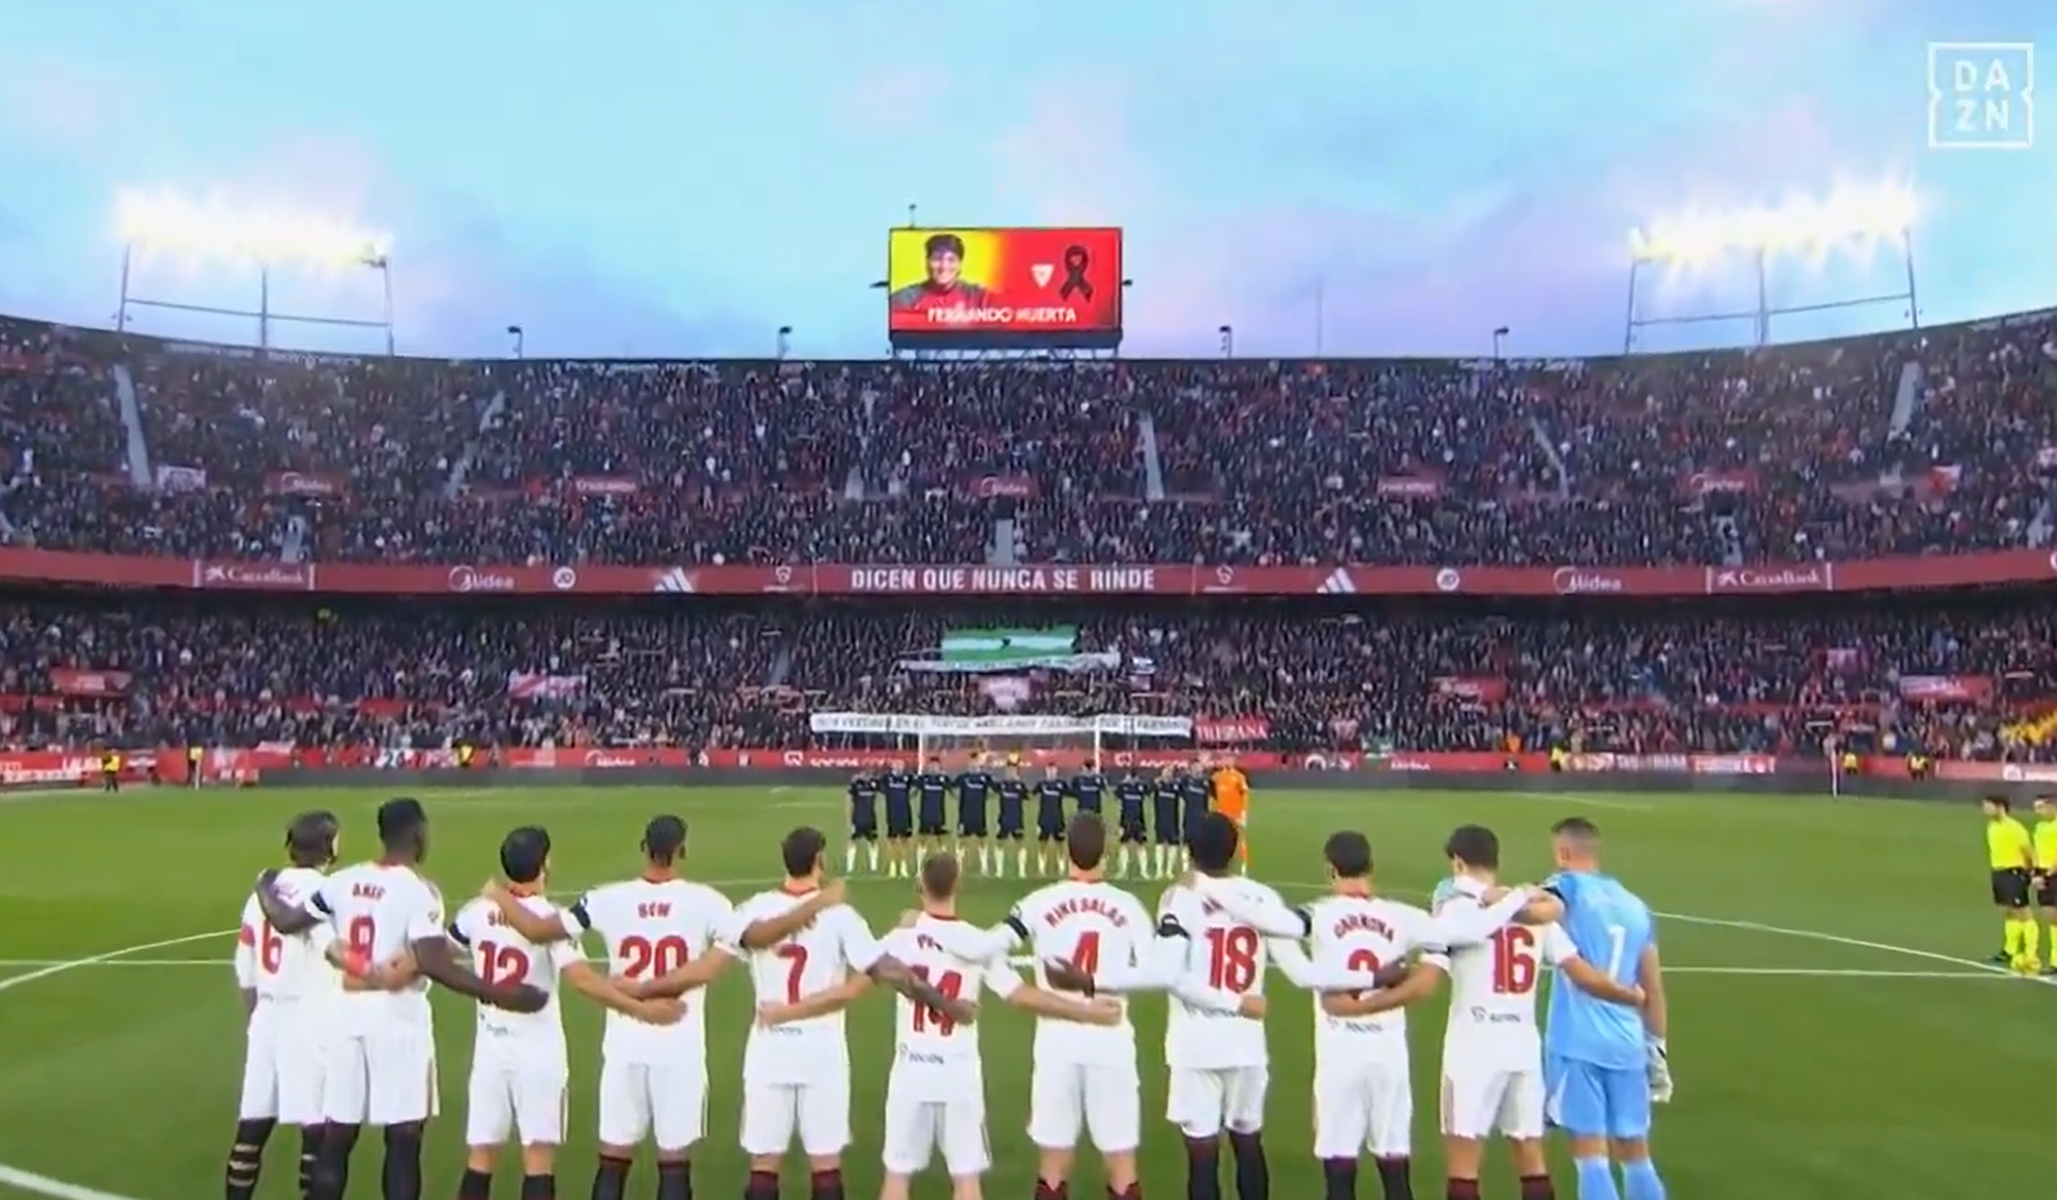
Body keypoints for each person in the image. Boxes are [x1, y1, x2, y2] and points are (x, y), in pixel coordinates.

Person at [917, 815, 1263, 1200]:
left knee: (1052, 1166)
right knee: (1121, 1165)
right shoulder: (1128, 906)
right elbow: (1157, 971)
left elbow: (987, 947)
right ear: (1108, 851)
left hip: (1056, 1044)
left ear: (1066, 849)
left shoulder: (1038, 902)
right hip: (1111, 1043)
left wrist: (926, 922)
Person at [253, 797, 547, 1200]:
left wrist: (263, 884)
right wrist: (502, 995)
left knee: (337, 1137)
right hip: (398, 1022)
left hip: (347, 1017)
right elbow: (436, 964)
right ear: (416, 833)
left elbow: (285, 920)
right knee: (404, 1140)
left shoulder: (342, 882)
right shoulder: (418, 892)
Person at [1191, 829, 1473, 1200]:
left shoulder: (1317, 914)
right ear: (1371, 867)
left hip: (1340, 1052)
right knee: (1394, 1167)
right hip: (1388, 1053)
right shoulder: (1405, 916)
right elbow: (1432, 973)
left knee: (1339, 1170)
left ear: (1330, 871)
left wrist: (1350, 1007)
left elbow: (1270, 920)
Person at [724, 827, 976, 1200]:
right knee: (825, 1164)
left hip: (768, 1049)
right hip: (821, 1051)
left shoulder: (757, 906)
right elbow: (886, 971)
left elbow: (751, 937)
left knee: (764, 1164)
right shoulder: (840, 916)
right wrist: (947, 1005)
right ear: (819, 861)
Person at [448, 827, 685, 1200]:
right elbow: (582, 980)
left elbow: (438, 953)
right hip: (537, 1052)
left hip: (490, 1048)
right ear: (544, 863)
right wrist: (642, 1010)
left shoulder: (476, 912)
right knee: (538, 1158)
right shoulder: (550, 919)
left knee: (480, 1157)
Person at [874, 852, 1124, 1200]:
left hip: (910, 1069)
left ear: (920, 886)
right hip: (957, 1073)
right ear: (958, 885)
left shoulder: (900, 937)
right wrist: (1086, 1012)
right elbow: (1022, 995)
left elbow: (869, 964)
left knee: (896, 1178)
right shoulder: (979, 944)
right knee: (966, 1180)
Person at [1423, 827, 1640, 1200]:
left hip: (1474, 1041)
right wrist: (1628, 994)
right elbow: (1581, 972)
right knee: (1530, 1154)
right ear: (1496, 862)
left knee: (1464, 1157)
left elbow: (1444, 914)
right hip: (1523, 1043)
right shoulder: (1537, 919)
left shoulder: (1456, 908)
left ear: (1457, 862)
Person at [1538, 818, 1670, 1200]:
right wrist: (1656, 1048)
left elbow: (1541, 910)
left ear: (1563, 853)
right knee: (1635, 1151)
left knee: (1590, 1153)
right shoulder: (1635, 905)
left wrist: (1507, 900)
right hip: (1627, 1045)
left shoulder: (1566, 887)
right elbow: (1654, 987)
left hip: (1577, 1043)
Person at [226, 810, 342, 1200]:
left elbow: (245, 965)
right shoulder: (327, 894)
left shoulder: (261, 894)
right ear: (329, 846)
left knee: (253, 1125)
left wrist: (255, 1017)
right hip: (310, 1014)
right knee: (317, 1129)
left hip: (266, 1015)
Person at [1983, 795, 2037, 971]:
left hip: (2014, 872)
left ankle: (2031, 954)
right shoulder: (1992, 827)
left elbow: (2029, 851)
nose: (1985, 809)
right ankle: (2009, 950)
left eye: (1988, 806)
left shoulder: (2015, 828)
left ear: (2000, 807)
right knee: (2007, 911)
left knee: (2023, 913)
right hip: (1998, 872)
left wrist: (2032, 872)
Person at [887, 233, 991, 312]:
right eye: (937, 259)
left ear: (960, 264)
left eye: (951, 260)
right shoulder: (904, 299)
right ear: (926, 261)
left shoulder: (978, 296)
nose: (943, 267)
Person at [956, 754, 996, 875]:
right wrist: (957, 798)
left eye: (975, 762)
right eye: (971, 762)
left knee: (981, 841)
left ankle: (984, 867)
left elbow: (996, 789)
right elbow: (951, 788)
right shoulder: (963, 778)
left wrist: (986, 798)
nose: (973, 765)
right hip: (965, 814)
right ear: (968, 763)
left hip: (979, 814)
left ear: (979, 763)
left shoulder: (985, 778)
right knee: (962, 841)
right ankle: (959, 866)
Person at [1210, 761, 1251, 871]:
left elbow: (1245, 794)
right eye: (1225, 759)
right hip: (1221, 814)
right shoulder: (1216, 777)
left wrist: (1243, 812)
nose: (1227, 762)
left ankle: (1243, 865)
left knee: (1239, 838)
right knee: (1221, 839)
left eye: (1229, 760)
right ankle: (1222, 861)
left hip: (1236, 814)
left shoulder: (1239, 777)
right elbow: (1211, 792)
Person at [881, 762, 916, 879]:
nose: (899, 768)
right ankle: (892, 867)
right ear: (892, 767)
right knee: (892, 841)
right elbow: (880, 787)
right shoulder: (887, 779)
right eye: (897, 766)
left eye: (901, 766)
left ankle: (903, 867)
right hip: (892, 814)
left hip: (905, 814)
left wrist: (910, 796)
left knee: (905, 841)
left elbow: (916, 786)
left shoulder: (908, 778)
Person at [996, 763, 1031, 878]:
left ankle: (1022, 871)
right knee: (1000, 843)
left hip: (1017, 819)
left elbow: (1028, 796)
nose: (1011, 773)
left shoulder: (1020, 786)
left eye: (1013, 771)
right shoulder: (1001, 785)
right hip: (1003, 819)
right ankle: (999, 871)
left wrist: (1020, 784)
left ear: (1017, 772)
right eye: (1009, 771)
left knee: (1020, 843)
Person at [1114, 770, 1150, 880]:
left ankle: (1144, 872)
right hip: (1125, 820)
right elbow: (1116, 795)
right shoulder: (1123, 786)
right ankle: (1122, 871)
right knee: (1124, 845)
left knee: (1141, 846)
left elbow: (1149, 792)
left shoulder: (1142, 786)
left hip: (1138, 820)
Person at [915, 757, 953, 863]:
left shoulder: (943, 780)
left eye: (935, 766)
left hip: (939, 814)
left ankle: (943, 861)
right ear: (928, 767)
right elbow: (913, 788)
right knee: (923, 839)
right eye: (931, 766)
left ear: (939, 767)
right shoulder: (923, 779)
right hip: (925, 814)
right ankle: (920, 864)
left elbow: (952, 788)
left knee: (941, 839)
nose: (933, 768)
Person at [2035, 796, 2057, 976]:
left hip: (2053, 874)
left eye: (2041, 807)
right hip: (2044, 874)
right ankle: (2055, 961)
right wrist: (2037, 874)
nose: (2038, 812)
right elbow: (2038, 852)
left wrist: (2047, 875)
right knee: (2051, 917)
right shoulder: (2040, 827)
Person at [1035, 766, 1070, 876]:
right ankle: (1041, 869)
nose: (1051, 773)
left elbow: (1071, 793)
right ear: (1046, 772)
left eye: (1053, 771)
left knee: (1060, 844)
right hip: (1043, 818)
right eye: (1049, 771)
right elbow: (1031, 795)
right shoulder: (1041, 784)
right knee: (1042, 844)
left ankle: (1061, 868)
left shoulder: (1061, 785)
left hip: (1058, 819)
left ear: (1056, 772)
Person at [846, 770, 881, 875]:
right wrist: (849, 819)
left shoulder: (873, 785)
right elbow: (849, 801)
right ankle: (850, 867)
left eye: (869, 774)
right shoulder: (856, 785)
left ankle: (873, 867)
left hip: (870, 818)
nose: (867, 776)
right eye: (865, 773)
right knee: (853, 841)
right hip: (857, 818)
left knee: (873, 842)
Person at [1151, 768, 1183, 880]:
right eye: (1165, 773)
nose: (1167, 775)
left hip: (1173, 820)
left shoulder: (1176, 787)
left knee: (1173, 845)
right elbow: (1148, 790)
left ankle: (1169, 871)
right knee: (1159, 844)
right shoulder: (1157, 785)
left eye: (1169, 773)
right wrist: (1154, 782)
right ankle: (1159, 871)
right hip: (1160, 820)